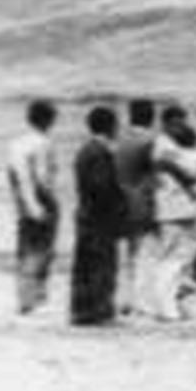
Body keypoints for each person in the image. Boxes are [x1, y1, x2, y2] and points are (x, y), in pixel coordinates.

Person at [142, 106, 196, 321]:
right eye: (178, 123)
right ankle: (166, 307)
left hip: (179, 207)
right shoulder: (164, 146)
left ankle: (170, 304)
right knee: (173, 259)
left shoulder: (167, 145)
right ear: (168, 123)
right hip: (173, 208)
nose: (182, 127)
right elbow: (186, 172)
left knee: (184, 257)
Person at [70, 107, 126, 326]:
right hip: (99, 217)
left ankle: (83, 310)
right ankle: (99, 311)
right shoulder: (100, 152)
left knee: (85, 264)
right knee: (101, 263)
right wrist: (119, 208)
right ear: (110, 125)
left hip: (86, 214)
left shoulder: (85, 150)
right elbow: (102, 188)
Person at [5, 99, 59, 316]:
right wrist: (39, 205)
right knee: (42, 249)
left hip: (20, 200)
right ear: (47, 120)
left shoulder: (16, 143)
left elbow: (16, 177)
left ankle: (24, 297)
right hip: (41, 198)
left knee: (25, 248)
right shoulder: (43, 143)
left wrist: (24, 202)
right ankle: (35, 297)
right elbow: (41, 178)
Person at [113, 98, 159, 318]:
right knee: (145, 252)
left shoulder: (118, 139)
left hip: (119, 200)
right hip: (142, 201)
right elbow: (155, 175)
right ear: (151, 116)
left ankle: (124, 299)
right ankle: (142, 302)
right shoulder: (151, 140)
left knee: (126, 253)